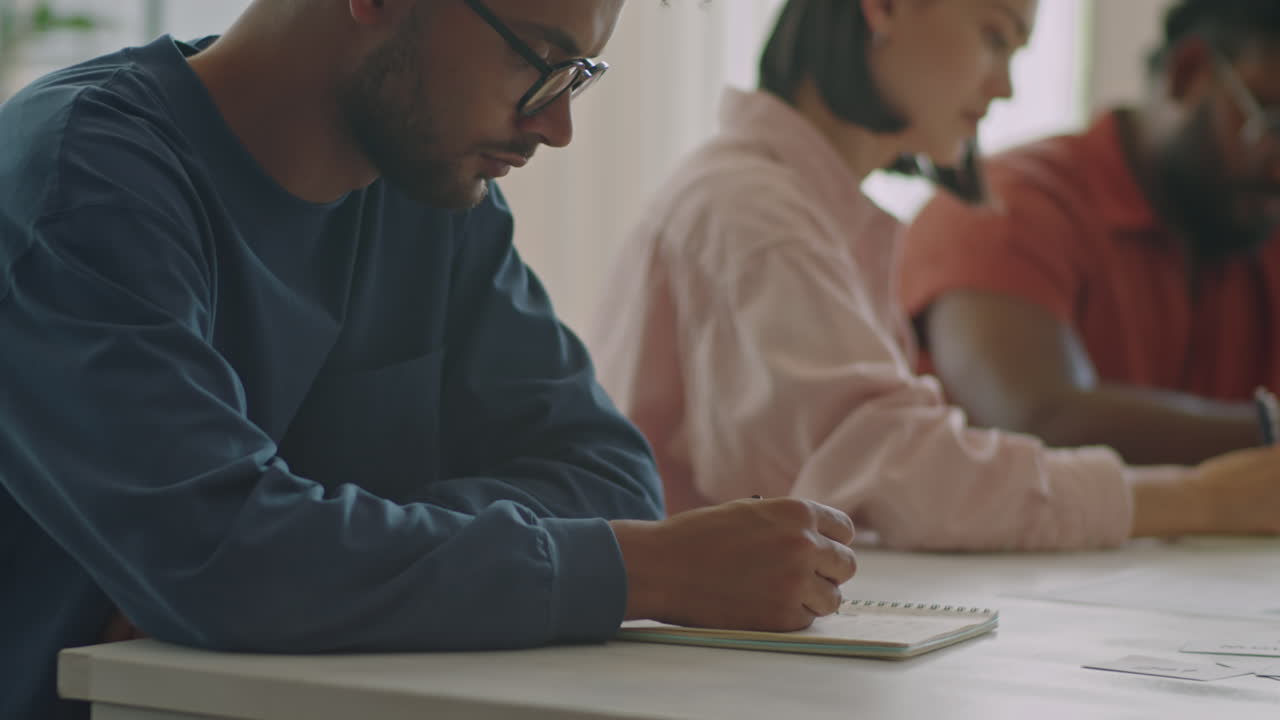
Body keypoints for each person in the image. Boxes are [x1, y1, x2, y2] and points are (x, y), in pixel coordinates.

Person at [0, 1, 859, 717]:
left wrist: (308, 544)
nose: (555, 124)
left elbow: (610, 475)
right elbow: (226, 561)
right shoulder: (81, 184)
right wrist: (653, 569)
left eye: (579, 75)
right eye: (540, 56)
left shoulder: (432, 193)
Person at [590, 0, 1280, 554]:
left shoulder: (803, 207)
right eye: (996, 37)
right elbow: (908, 475)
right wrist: (1205, 498)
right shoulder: (750, 209)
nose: (1005, 86)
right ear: (883, 7)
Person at [898, 0, 1280, 466]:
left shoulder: (1254, 223)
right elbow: (1036, 420)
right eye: (1273, 124)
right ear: (1189, 72)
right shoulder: (1007, 205)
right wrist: (1269, 430)